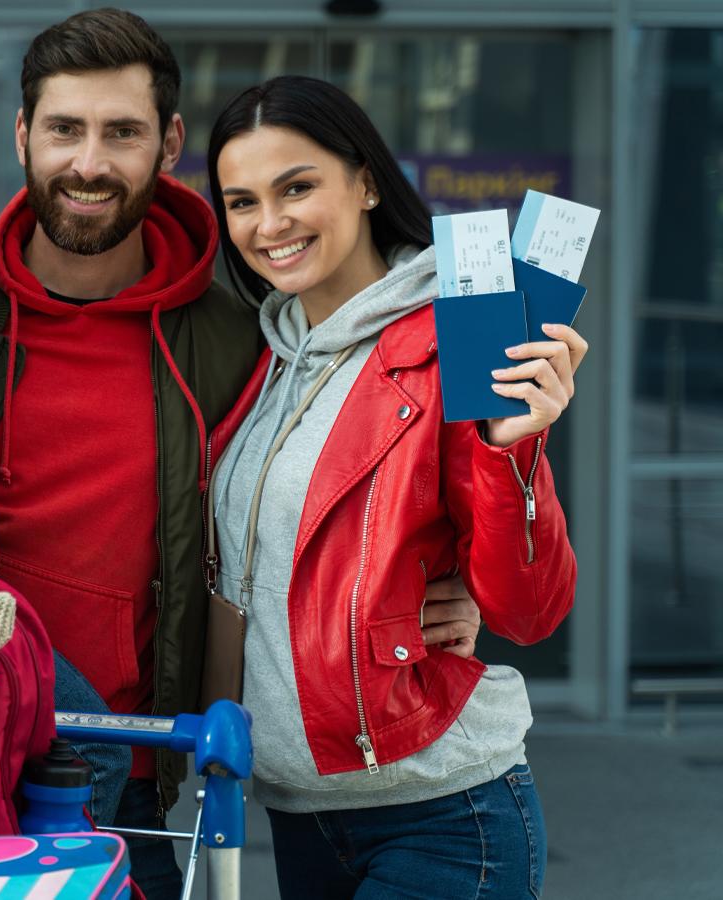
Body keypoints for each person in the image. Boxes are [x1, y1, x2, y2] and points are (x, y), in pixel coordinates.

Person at [0, 13, 485, 898]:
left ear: (167, 144)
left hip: (120, 780)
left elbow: (327, 474)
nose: (88, 162)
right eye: (63, 130)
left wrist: (446, 579)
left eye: (121, 132)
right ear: (22, 136)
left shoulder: (235, 331)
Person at [205, 74, 586, 898]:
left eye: (297, 187)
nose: (269, 224)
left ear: (368, 182)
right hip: (299, 815)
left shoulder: (458, 342)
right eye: (242, 201)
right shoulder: (262, 358)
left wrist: (513, 454)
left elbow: (530, 610)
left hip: (443, 815)